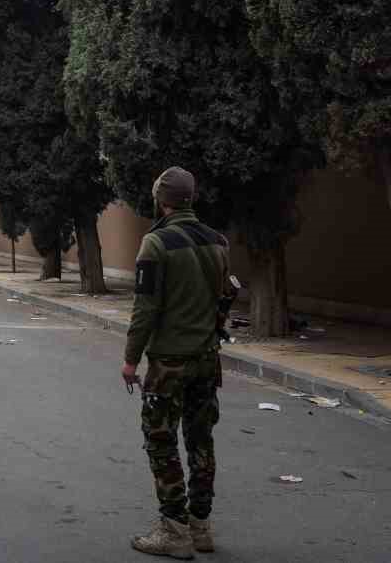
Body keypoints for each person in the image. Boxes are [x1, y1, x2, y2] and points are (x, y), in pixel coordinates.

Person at [121, 166, 233, 559]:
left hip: (169, 361)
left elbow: (144, 309)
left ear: (161, 199)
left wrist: (130, 360)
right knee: (201, 439)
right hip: (207, 359)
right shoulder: (219, 242)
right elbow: (222, 299)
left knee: (161, 439)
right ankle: (201, 527)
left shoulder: (155, 244)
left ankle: (174, 530)